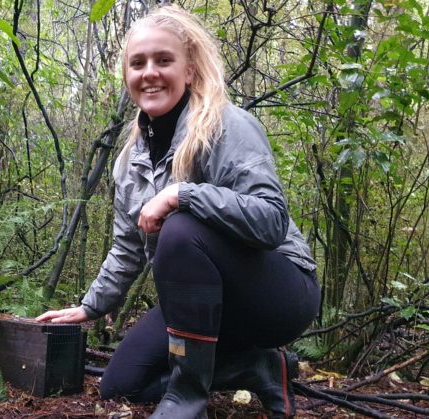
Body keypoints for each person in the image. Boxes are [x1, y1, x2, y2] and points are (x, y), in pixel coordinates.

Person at [36, 4, 320, 418]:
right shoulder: (129, 161)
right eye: (138, 63)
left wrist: (182, 194)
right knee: (122, 384)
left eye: (164, 60)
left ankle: (188, 397)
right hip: (204, 308)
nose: (149, 72)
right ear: (128, 77)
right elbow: (128, 248)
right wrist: (90, 306)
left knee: (181, 227)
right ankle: (256, 367)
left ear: (189, 71)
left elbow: (271, 220)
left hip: (278, 295)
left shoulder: (227, 126)